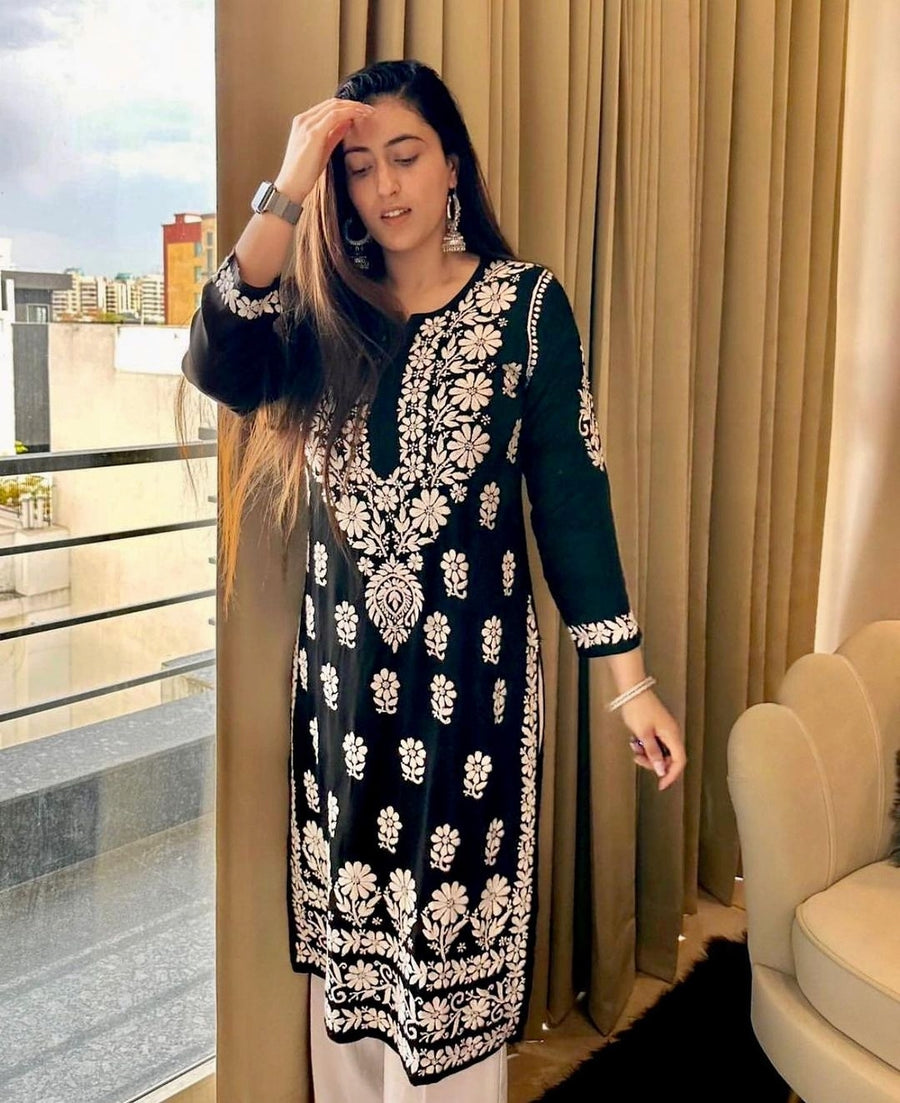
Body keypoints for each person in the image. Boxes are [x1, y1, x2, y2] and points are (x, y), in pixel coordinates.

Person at [181, 58, 686, 1103]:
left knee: (447, 992)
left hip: (472, 704)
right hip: (343, 702)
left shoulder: (526, 309)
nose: (386, 187)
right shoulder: (322, 313)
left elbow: (572, 502)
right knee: (353, 981)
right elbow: (218, 364)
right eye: (359, 168)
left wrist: (629, 683)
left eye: (406, 156)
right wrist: (289, 183)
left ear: (452, 163)